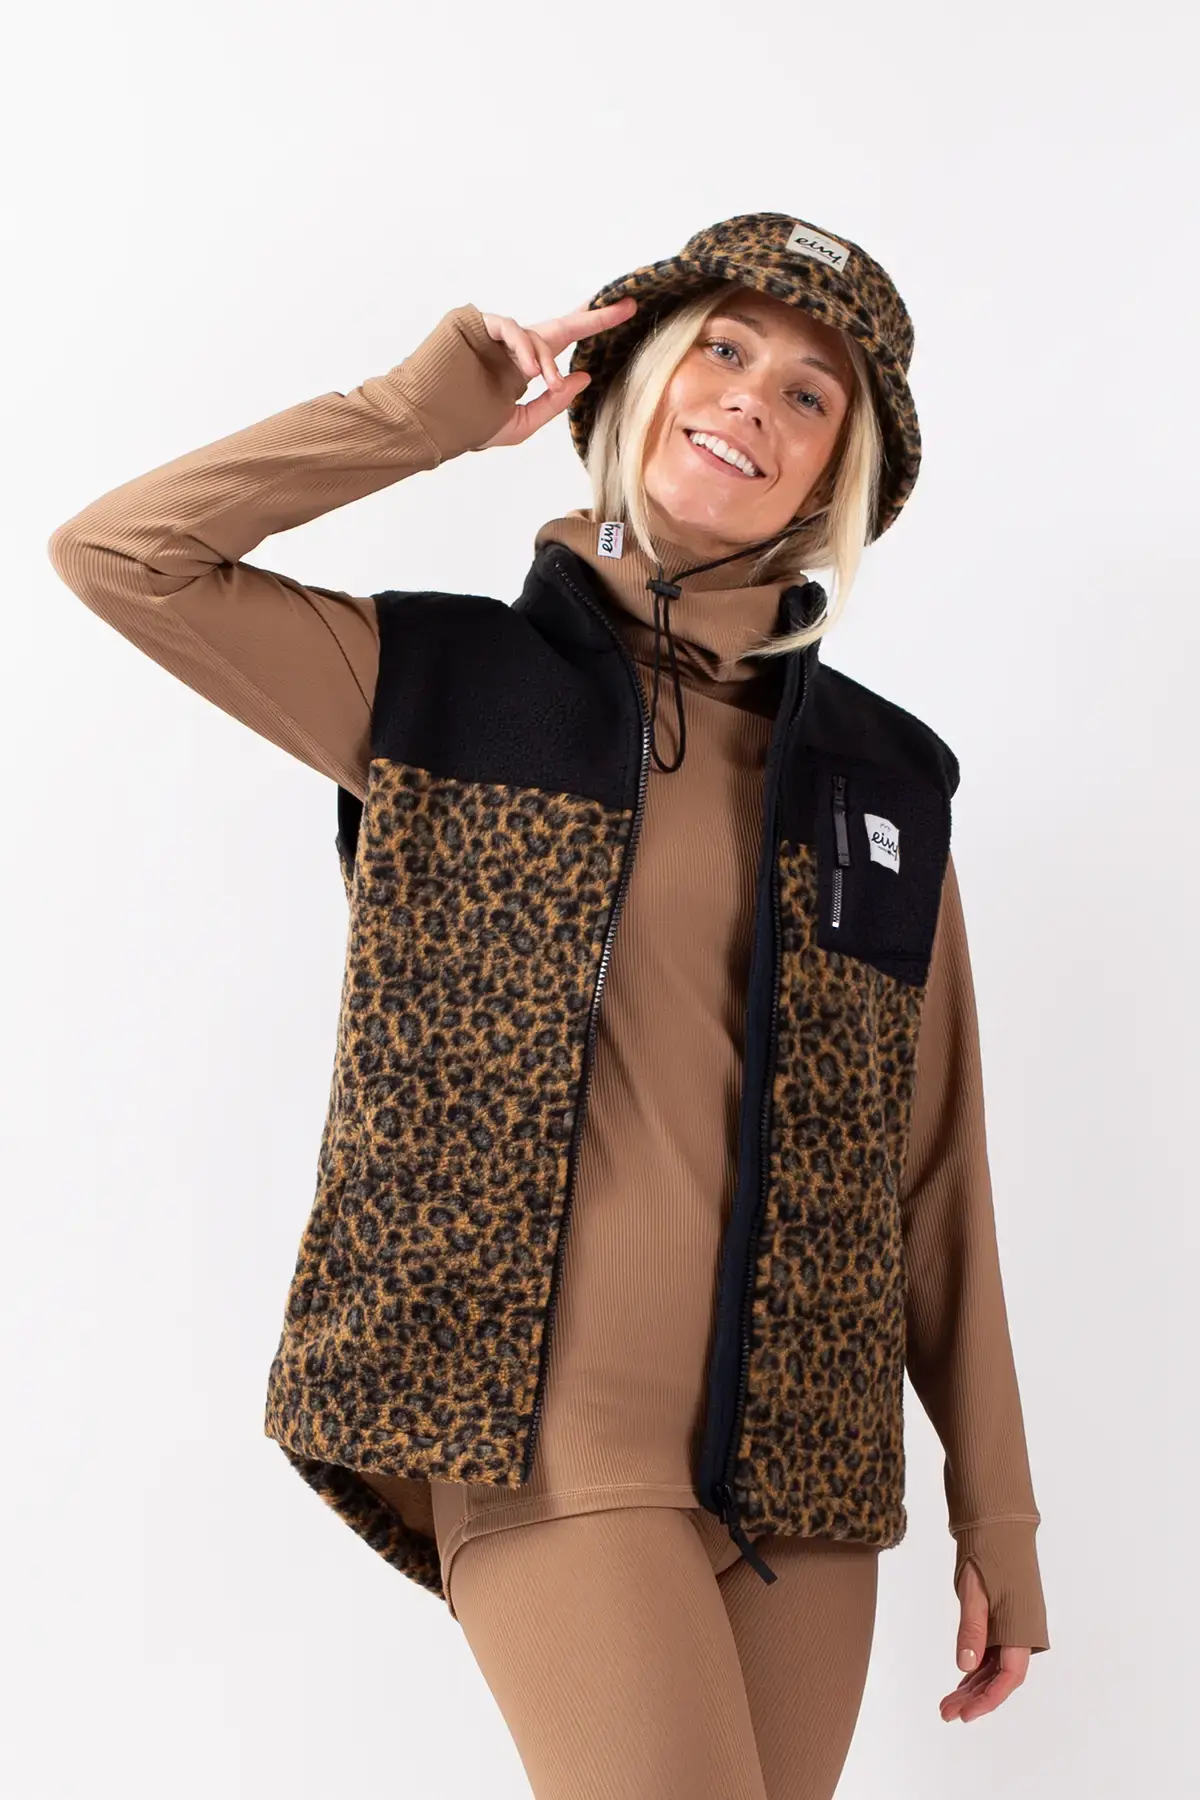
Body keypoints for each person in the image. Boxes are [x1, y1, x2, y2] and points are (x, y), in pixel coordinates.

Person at [48, 210, 1049, 1799]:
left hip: (808, 1461)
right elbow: (122, 556)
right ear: (639, 378)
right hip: (532, 1420)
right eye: (721, 349)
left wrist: (999, 1513)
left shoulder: (880, 779)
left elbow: (930, 1174)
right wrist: (424, 411)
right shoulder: (440, 687)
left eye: (810, 395)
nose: (752, 398)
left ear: (832, 480)